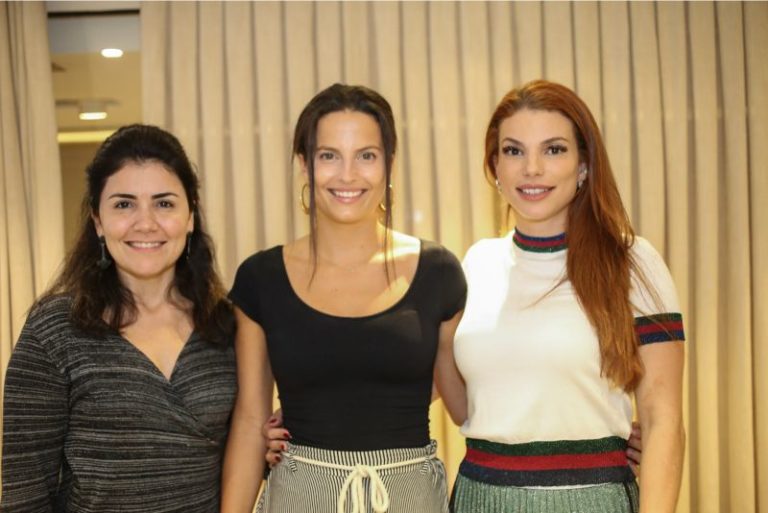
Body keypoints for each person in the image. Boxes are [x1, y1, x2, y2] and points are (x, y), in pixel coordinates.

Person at [221, 84, 467, 513]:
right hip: (300, 496)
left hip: (410, 496)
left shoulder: (438, 271)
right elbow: (249, 419)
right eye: (329, 156)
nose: (348, 175)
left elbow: (465, 393)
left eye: (366, 156)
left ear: (390, 163)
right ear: (304, 163)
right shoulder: (261, 278)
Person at [449, 80, 685, 513]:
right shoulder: (476, 263)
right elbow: (464, 403)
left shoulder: (632, 262)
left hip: (592, 499)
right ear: (495, 166)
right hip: (480, 497)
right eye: (514, 151)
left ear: (583, 165)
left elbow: (662, 419)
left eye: (554, 150)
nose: (532, 168)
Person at [1, 125, 237, 513]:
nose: (145, 223)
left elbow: (238, 451)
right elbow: (25, 491)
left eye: (164, 204)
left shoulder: (224, 324)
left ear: (191, 215)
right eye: (124, 205)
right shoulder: (55, 329)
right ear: (98, 220)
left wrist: (271, 443)